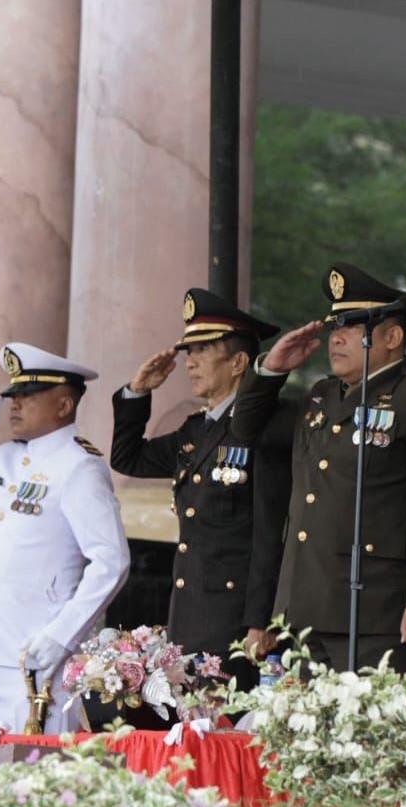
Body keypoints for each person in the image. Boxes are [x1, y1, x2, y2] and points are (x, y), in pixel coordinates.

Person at [231, 263, 406, 673]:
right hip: (307, 609)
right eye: (335, 327)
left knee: (375, 736)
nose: (337, 338)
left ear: (393, 337)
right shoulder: (322, 397)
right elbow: (244, 428)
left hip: (381, 612)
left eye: (354, 328)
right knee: (307, 736)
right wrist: (272, 368)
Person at [110, 288, 292, 686]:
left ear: (239, 362)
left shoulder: (267, 426)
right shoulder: (196, 430)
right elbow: (128, 459)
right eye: (188, 352)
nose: (189, 362)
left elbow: (269, 532)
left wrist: (262, 620)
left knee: (228, 734)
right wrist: (138, 392)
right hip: (189, 610)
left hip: (237, 619)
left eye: (203, 351)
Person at [0, 344, 130, 733]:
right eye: (14, 396)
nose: (14, 405)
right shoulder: (4, 459)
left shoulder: (78, 467)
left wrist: (61, 637)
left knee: (30, 778)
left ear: (64, 406)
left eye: (28, 397)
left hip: (30, 657)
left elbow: (111, 561)